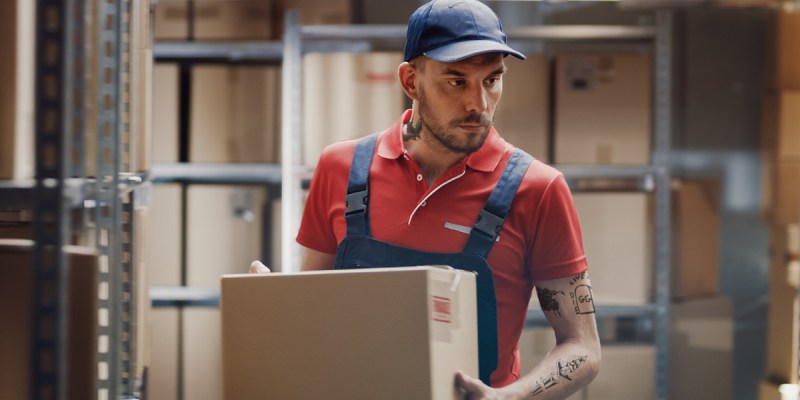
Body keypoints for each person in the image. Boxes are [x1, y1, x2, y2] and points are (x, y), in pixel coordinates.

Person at [252, 0, 600, 398]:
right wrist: (273, 309)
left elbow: (583, 347)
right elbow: (313, 316)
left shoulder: (538, 189)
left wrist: (512, 396)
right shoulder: (341, 168)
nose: (479, 105)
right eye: (457, 81)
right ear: (410, 81)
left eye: (491, 80)